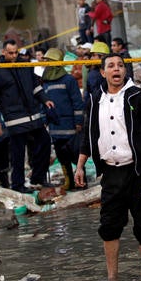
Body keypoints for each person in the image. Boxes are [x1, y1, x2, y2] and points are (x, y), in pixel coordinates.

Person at [74, 53, 141, 281]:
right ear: (102, 72)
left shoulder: (138, 96)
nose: (116, 69)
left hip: (138, 172)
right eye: (111, 66)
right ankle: (112, 277)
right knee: (109, 225)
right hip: (110, 173)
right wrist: (80, 166)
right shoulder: (95, 98)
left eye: (120, 65)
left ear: (125, 71)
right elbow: (88, 135)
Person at [0, 39, 55, 193]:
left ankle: (38, 177)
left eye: (16, 52)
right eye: (10, 53)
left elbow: (36, 87)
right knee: (18, 154)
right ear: (3, 52)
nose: (14, 55)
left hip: (33, 116)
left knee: (44, 141)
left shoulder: (25, 65)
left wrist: (45, 100)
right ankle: (18, 184)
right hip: (15, 120)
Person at [41, 48, 84, 190]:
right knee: (62, 156)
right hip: (55, 127)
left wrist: (78, 121)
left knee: (75, 155)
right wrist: (44, 120)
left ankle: (80, 179)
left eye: (49, 61)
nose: (46, 64)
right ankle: (69, 181)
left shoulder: (69, 80)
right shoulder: (45, 82)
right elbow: (44, 103)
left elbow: (77, 102)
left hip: (70, 125)